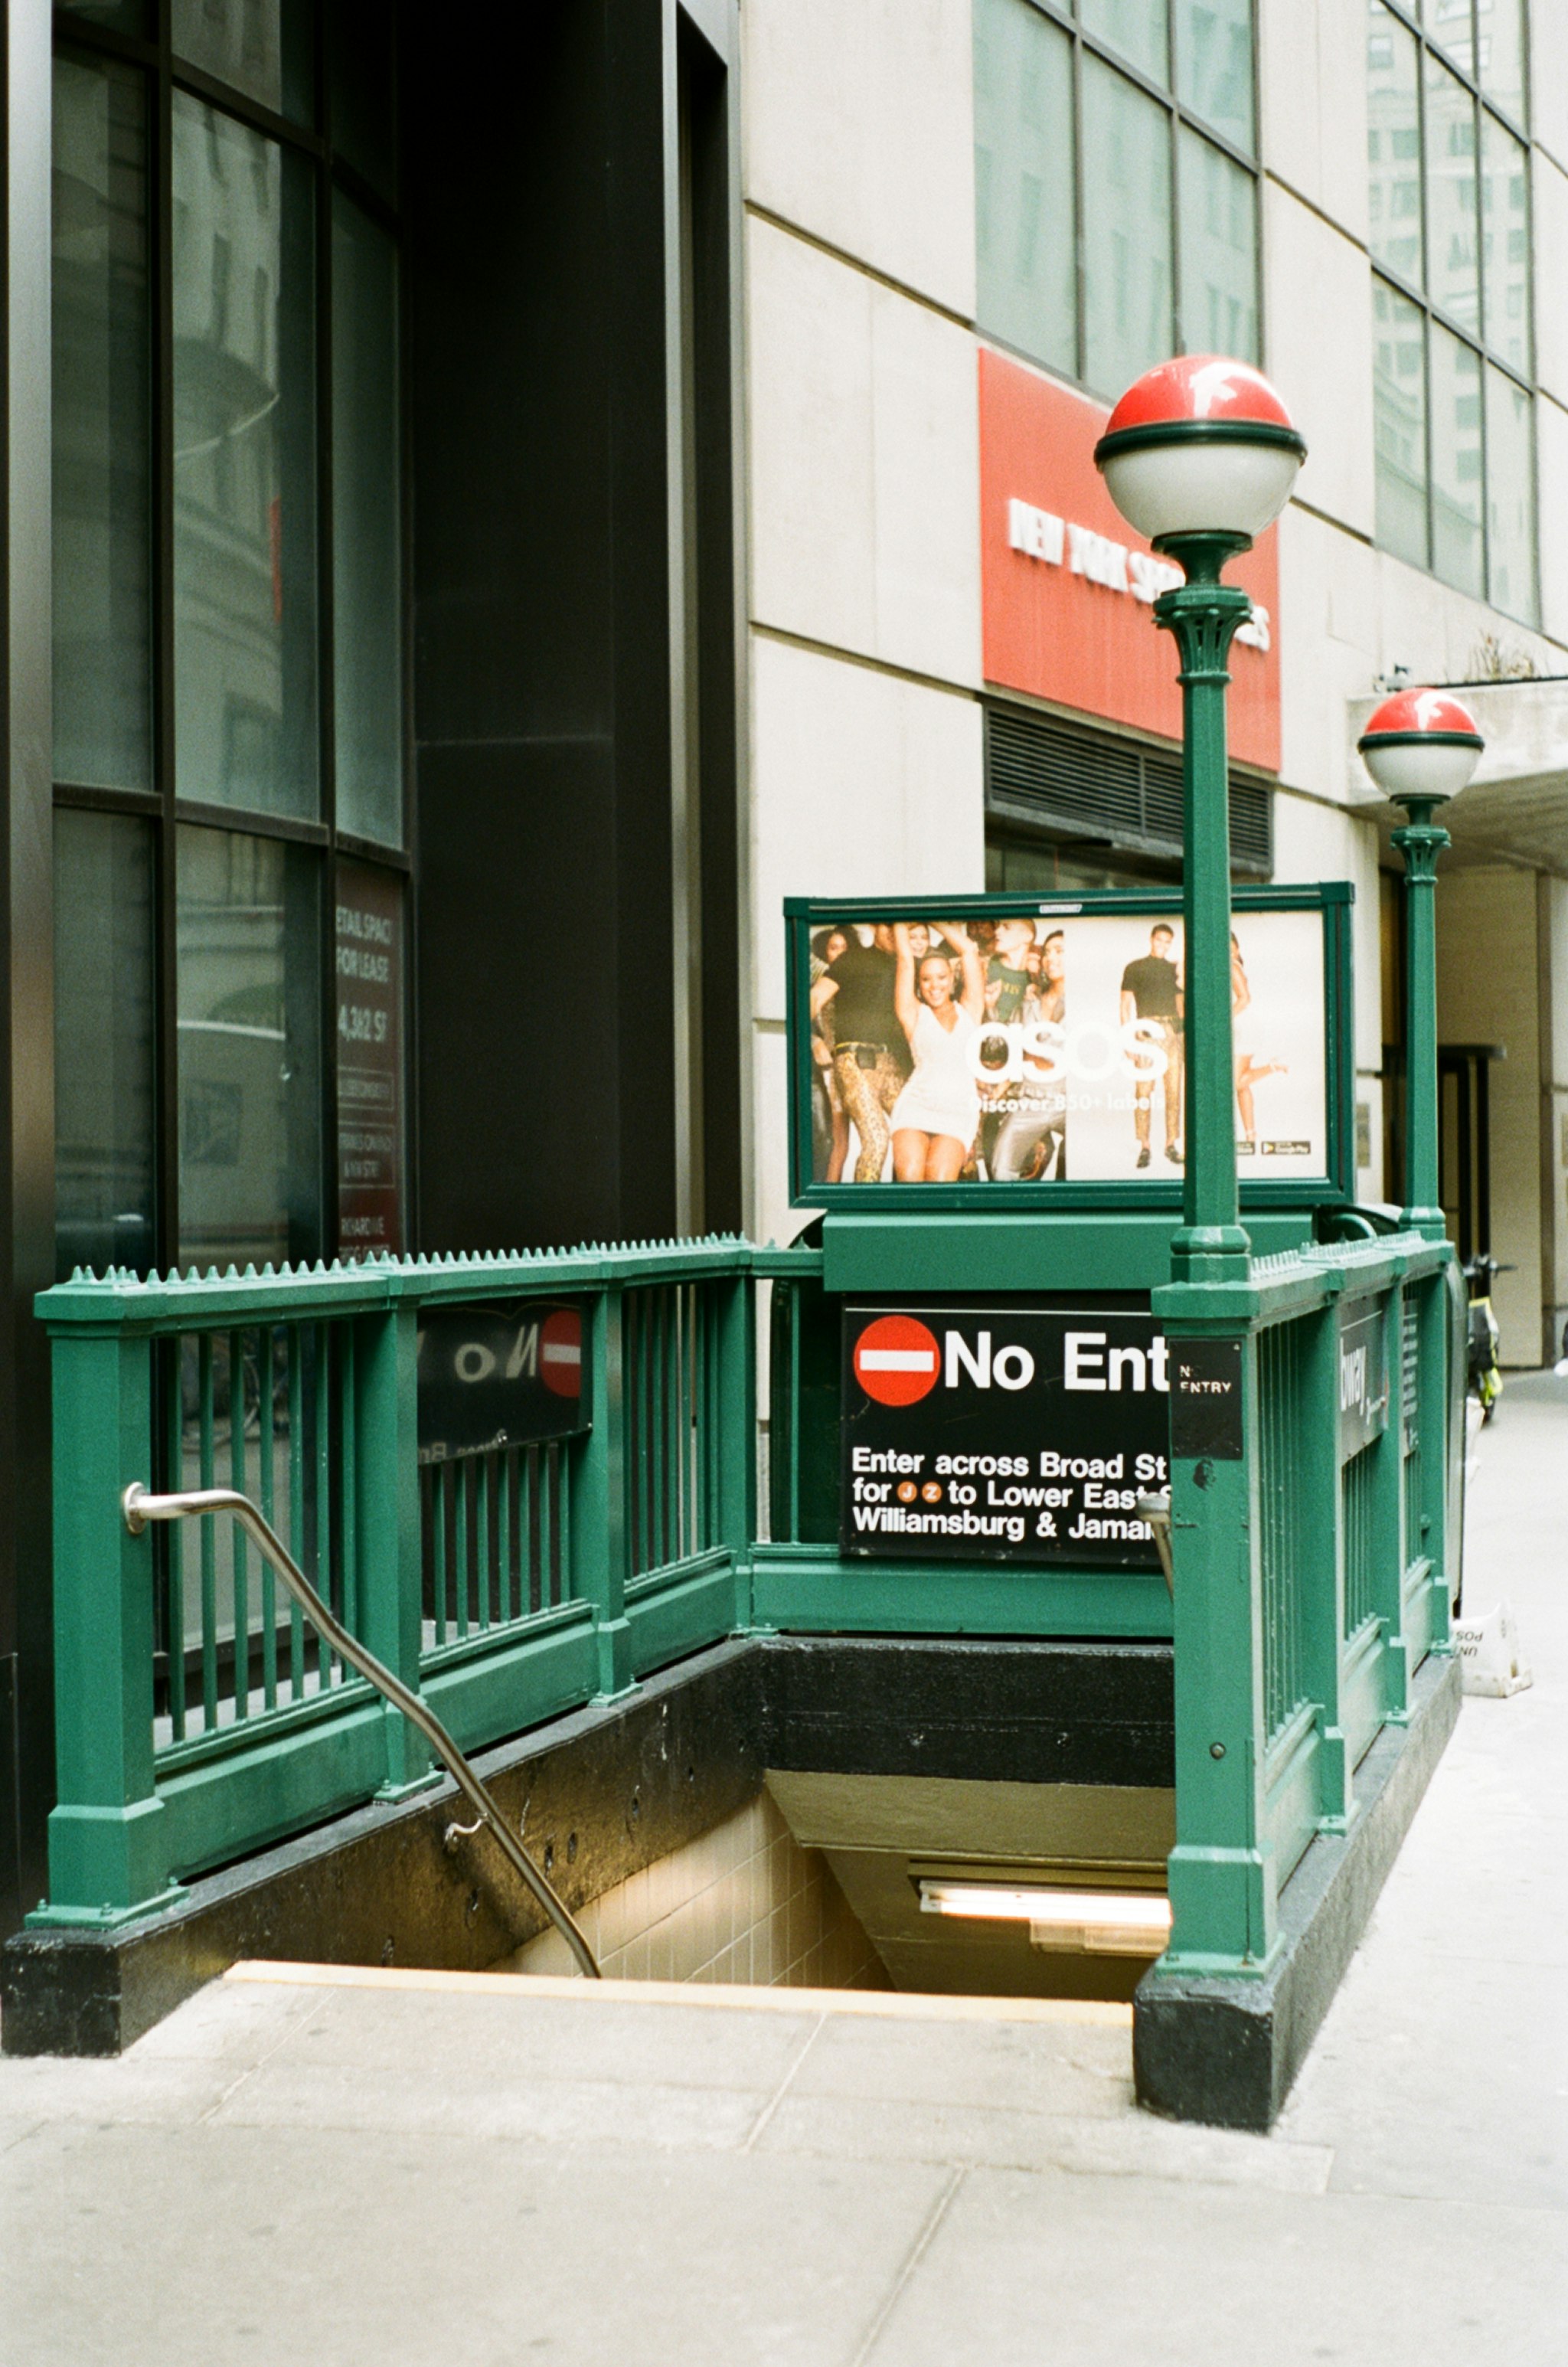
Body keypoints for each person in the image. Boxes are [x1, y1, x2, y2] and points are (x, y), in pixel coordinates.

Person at [888, 921, 985, 1182]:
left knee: (940, 1182)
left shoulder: (971, 1010)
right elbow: (906, 961)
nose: (935, 986)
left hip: (957, 1114)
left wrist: (932, 918)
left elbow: (967, 951)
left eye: (942, 977)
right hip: (915, 1107)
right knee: (910, 1179)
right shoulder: (913, 1013)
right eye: (927, 979)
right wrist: (901, 921)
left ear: (953, 979)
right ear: (919, 984)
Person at [809, 924, 906, 1182]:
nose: (894, 932)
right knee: (875, 1140)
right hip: (854, 1060)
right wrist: (809, 1039)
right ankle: (865, 1217)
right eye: (888, 926)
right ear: (876, 927)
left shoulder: (910, 963)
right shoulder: (854, 958)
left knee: (912, 1132)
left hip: (894, 1063)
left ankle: (905, 1213)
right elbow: (815, 998)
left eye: (901, 926)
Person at [991, 929, 1068, 1182]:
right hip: (1031, 1100)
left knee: (1079, 1167)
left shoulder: (1087, 1003)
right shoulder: (1029, 1003)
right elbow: (1012, 1051)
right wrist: (991, 1009)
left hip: (1073, 1104)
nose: (1051, 958)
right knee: (1001, 1168)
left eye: (1060, 951)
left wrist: (1030, 1054)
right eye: (1047, 952)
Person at [1119, 923, 1184, 1169]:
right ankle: (1145, 1145)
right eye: (1160, 940)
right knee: (1144, 1091)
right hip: (1147, 1029)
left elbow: (1181, 1004)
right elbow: (1125, 1005)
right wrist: (1128, 1039)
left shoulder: (1174, 969)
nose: (1163, 945)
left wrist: (1184, 1037)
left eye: (1168, 941)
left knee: (1174, 1090)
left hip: (1173, 1030)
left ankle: (1170, 1144)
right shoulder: (1135, 967)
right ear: (1151, 939)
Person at [1231, 933, 1287, 1153]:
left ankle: (1273, 1067)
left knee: (1236, 1082)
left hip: (1243, 1027)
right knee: (1241, 1085)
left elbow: (1245, 998)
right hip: (1242, 1026)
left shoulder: (1231, 967)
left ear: (1237, 947)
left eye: (1231, 947)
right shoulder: (1233, 965)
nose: (1228, 951)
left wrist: (1222, 1020)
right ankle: (1251, 1134)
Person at [807, 927, 851, 1182]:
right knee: (832, 1138)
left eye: (845, 948)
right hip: (826, 1070)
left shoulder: (856, 983)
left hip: (851, 1065)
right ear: (825, 953)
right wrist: (814, 1041)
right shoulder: (818, 983)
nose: (841, 954)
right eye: (835, 948)